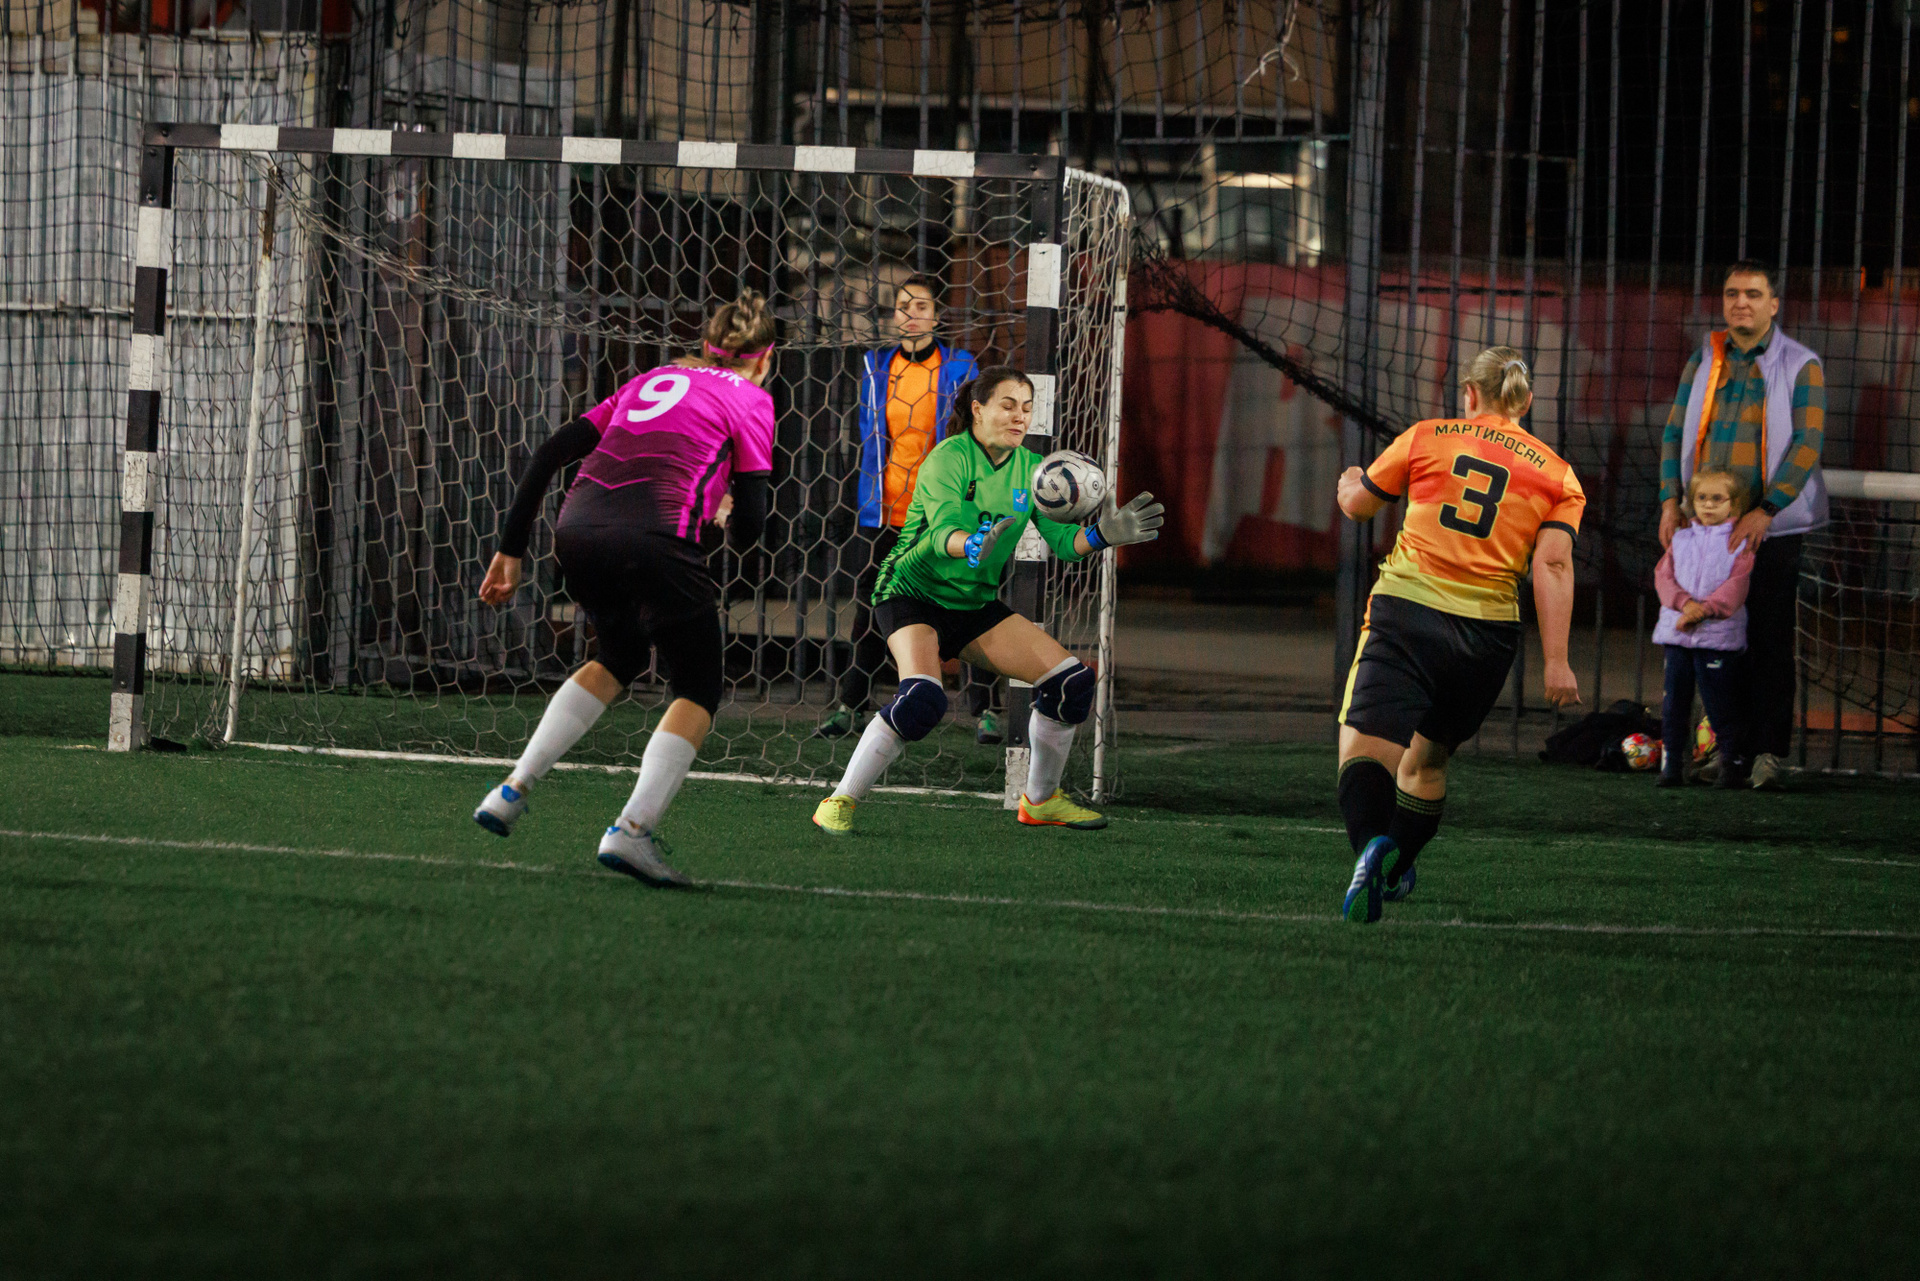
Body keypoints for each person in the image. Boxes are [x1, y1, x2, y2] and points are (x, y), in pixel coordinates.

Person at [470, 291, 777, 888]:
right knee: (697, 686)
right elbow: (753, 525)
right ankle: (632, 831)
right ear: (764, 359)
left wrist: (510, 549)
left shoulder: (651, 379)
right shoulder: (752, 399)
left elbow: (550, 452)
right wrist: (726, 517)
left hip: (578, 531)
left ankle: (511, 789)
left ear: (704, 347)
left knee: (619, 654)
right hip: (655, 537)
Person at [810, 367, 1164, 834]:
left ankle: (1040, 801)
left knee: (1071, 683)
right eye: (1008, 405)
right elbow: (941, 534)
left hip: (974, 604)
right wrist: (970, 544)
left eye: (1027, 407)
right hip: (912, 593)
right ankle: (839, 800)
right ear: (977, 409)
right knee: (922, 699)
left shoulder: (1034, 470)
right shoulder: (948, 458)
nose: (1020, 417)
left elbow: (1062, 543)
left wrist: (1102, 535)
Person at [1332, 346, 1586, 924]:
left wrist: (1349, 482)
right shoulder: (1557, 474)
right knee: (1425, 764)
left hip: (1407, 613)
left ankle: (1371, 848)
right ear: (1524, 401)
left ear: (1470, 394)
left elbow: (1359, 507)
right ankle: (1395, 869)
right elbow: (1552, 566)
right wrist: (1557, 661)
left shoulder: (1427, 436)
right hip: (1487, 638)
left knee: (1363, 751)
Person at [1658, 260, 1827, 791]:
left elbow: (1807, 444)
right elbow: (1673, 433)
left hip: (1771, 530)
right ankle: (1729, 750)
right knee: (1715, 641)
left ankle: (1767, 754)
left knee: (1769, 641)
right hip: (1707, 529)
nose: (1741, 303)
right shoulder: (1703, 359)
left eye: (1753, 294)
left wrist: (1765, 509)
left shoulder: (1802, 364)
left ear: (1773, 304)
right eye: (1733, 293)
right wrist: (1669, 501)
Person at [813, 274, 999, 743]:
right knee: (872, 604)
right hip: (888, 510)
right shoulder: (876, 368)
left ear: (937, 316)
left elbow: (975, 437)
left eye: (920, 306)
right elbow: (869, 439)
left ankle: (986, 711)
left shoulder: (959, 367)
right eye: (902, 306)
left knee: (968, 599)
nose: (910, 314)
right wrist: (857, 499)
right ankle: (851, 705)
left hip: (945, 511)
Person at [1651, 469, 1755, 789]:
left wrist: (1705, 610)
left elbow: (1735, 588)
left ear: (1734, 504)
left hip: (1717, 638)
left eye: (1717, 499)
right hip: (1678, 634)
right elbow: (1663, 577)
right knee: (1674, 703)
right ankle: (1672, 765)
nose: (1708, 505)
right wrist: (1685, 605)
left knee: (1719, 703)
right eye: (1701, 498)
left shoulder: (1740, 544)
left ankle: (1731, 764)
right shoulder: (1681, 539)